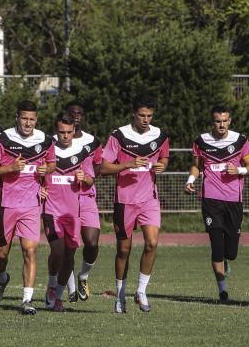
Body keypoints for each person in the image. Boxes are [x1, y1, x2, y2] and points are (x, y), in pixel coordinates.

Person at [0, 100, 55, 315]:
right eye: (24, 118)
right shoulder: (2, 139)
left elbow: (51, 163)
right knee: (2, 253)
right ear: (17, 118)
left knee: (30, 250)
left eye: (32, 119)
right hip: (5, 204)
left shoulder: (45, 140)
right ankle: (2, 277)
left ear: (36, 120)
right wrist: (10, 168)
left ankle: (26, 300)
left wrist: (45, 170)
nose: (28, 123)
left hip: (31, 204)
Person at [100, 95, 170, 313]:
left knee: (152, 243)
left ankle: (141, 291)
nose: (146, 119)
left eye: (149, 115)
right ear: (133, 114)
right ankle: (120, 295)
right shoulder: (118, 136)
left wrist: (162, 166)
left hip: (149, 199)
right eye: (142, 115)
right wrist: (128, 164)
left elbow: (164, 158)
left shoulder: (160, 136)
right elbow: (103, 168)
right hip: (125, 201)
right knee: (123, 250)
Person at [185, 104, 249, 303]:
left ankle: (226, 259)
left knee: (230, 253)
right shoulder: (201, 141)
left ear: (230, 121)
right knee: (216, 246)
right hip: (211, 200)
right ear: (212, 122)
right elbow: (196, 167)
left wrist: (238, 171)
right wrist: (190, 181)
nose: (221, 125)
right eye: (217, 121)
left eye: (225, 121)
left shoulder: (240, 141)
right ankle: (223, 291)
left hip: (234, 201)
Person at [42, 112, 97, 312]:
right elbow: (38, 173)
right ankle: (51, 283)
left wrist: (85, 177)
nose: (65, 136)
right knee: (58, 251)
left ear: (74, 131)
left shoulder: (82, 152)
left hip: (73, 212)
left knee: (70, 255)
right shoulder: (46, 148)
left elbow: (91, 179)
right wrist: (39, 186)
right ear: (55, 132)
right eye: (61, 132)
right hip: (51, 210)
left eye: (68, 132)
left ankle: (57, 297)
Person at [62, 102, 103, 302]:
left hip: (86, 197)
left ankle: (83, 276)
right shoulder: (53, 141)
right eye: (72, 113)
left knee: (92, 242)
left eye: (80, 113)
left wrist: (86, 177)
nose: (76, 116)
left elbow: (97, 169)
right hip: (62, 199)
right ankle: (70, 290)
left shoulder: (92, 142)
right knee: (68, 246)